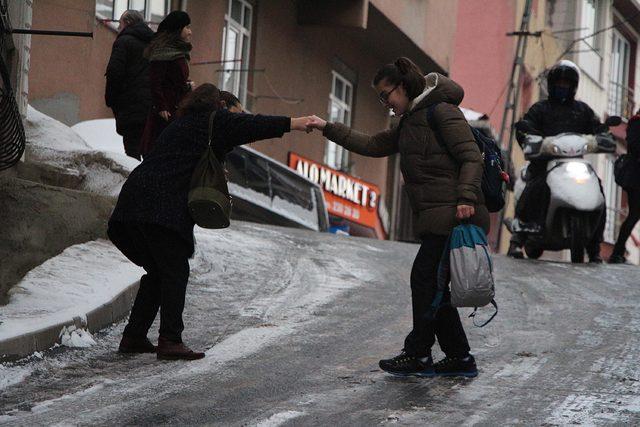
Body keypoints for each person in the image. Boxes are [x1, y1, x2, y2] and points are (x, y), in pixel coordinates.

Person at [307, 57, 488, 378]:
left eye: (386, 94)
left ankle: (418, 353)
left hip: (456, 214)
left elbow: (471, 156)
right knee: (432, 285)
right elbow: (374, 144)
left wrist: (466, 198)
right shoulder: (411, 120)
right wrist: (328, 128)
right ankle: (458, 357)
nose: (385, 102)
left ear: (403, 87)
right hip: (437, 215)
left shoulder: (441, 112)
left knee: (425, 279)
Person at [108, 83, 313, 360]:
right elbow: (254, 125)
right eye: (236, 114)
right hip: (157, 207)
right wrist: (297, 123)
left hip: (132, 204)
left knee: (160, 272)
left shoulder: (184, 125)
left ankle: (134, 336)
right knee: (175, 271)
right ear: (223, 108)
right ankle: (170, 340)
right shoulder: (215, 121)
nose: (238, 120)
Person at [508, 60, 605, 262]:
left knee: (599, 189)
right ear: (553, 84)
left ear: (573, 86)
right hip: (544, 163)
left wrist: (604, 135)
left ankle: (594, 247)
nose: (563, 86)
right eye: (559, 82)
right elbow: (527, 126)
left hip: (575, 162)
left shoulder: (582, 110)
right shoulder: (540, 109)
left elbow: (598, 128)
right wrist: (528, 136)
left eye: (567, 83)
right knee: (536, 186)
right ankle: (518, 239)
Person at [139, 11, 194, 156]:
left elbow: (173, 79)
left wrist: (187, 85)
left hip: (176, 109)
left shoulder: (178, 52)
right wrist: (161, 106)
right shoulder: (163, 52)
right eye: (187, 27)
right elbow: (155, 81)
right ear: (178, 29)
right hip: (166, 114)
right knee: (160, 151)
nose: (190, 32)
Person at [104, 10, 154, 160]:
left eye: (120, 23)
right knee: (148, 152)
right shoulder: (154, 44)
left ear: (128, 23)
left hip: (130, 106)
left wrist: (111, 99)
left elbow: (114, 72)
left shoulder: (123, 41)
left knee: (132, 154)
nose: (118, 27)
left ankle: (135, 182)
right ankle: (148, 182)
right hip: (151, 108)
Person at [609, 111, 640, 263]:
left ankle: (618, 251)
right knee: (635, 214)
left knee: (634, 214)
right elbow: (634, 146)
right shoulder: (636, 122)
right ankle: (617, 251)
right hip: (636, 176)